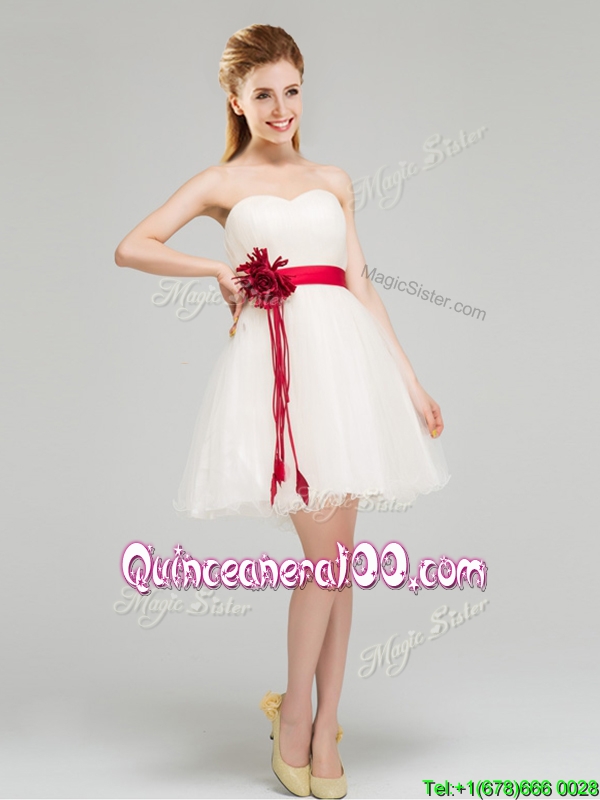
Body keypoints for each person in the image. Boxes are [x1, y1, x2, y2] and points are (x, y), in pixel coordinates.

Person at [115, 23, 450, 799]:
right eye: (262, 94)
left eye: (291, 90)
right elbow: (133, 245)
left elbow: (359, 282)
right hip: (281, 375)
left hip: (349, 370)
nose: (280, 108)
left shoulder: (334, 178)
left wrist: (409, 382)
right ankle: (295, 714)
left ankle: (325, 724)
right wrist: (215, 271)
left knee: (340, 562)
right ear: (236, 99)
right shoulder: (220, 182)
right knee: (325, 560)